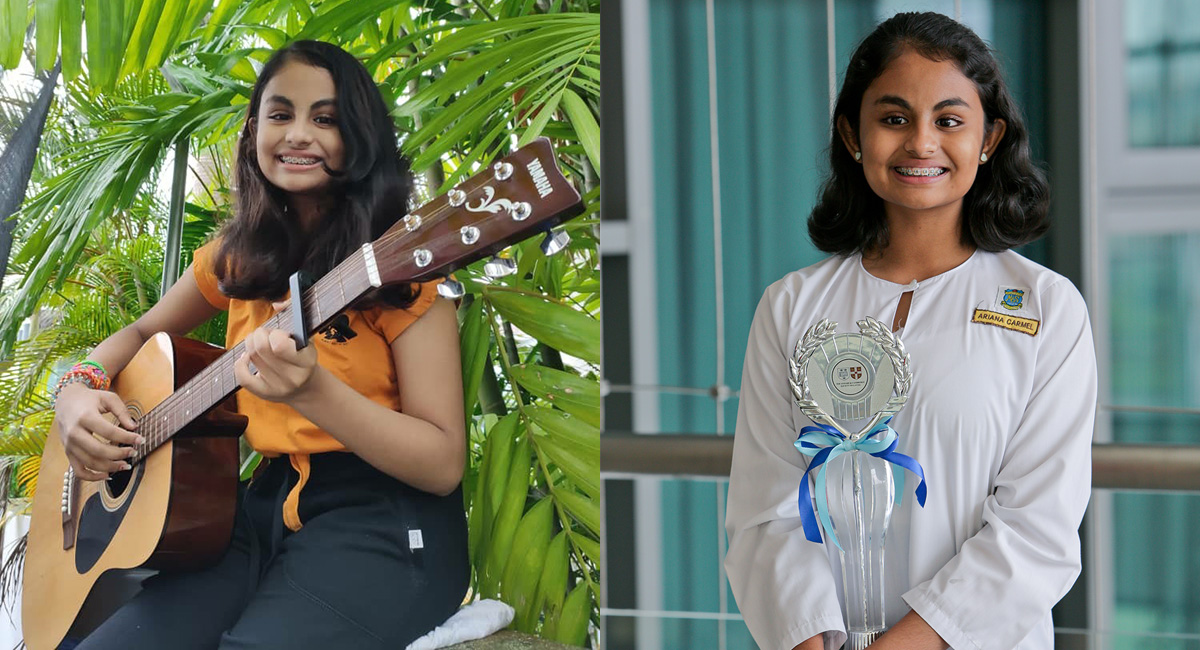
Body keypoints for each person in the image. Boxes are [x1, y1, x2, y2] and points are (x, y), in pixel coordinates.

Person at [52, 40, 469, 649]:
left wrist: (315, 391)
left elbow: (442, 464)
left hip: (382, 521)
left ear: (361, 138)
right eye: (281, 115)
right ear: (252, 134)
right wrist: (77, 392)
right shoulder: (237, 255)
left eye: (325, 119)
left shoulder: (404, 268)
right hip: (255, 512)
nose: (299, 134)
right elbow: (142, 332)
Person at [725, 12, 1096, 650]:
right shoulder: (790, 305)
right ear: (852, 134)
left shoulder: (1047, 308)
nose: (922, 143)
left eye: (949, 120)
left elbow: (1039, 532)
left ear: (989, 137)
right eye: (894, 118)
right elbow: (764, 513)